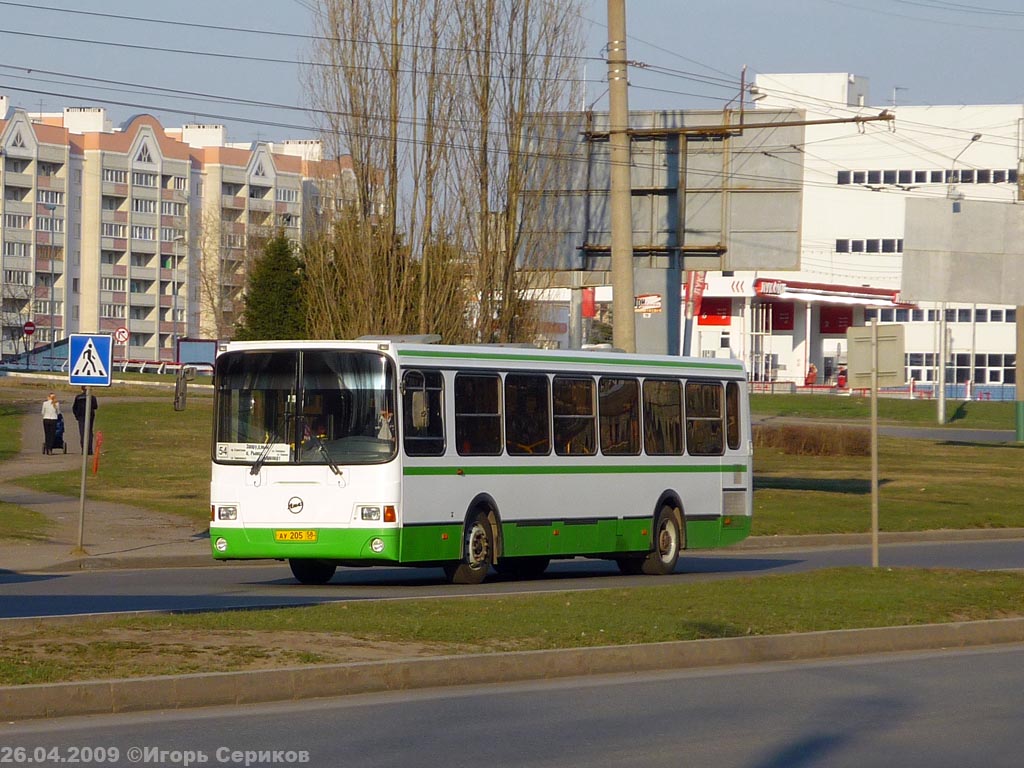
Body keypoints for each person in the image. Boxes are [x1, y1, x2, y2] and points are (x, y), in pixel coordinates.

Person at [72, 387, 99, 455]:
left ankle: (84, 449)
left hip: (81, 416)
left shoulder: (78, 397)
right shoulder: (92, 397)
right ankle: (89, 449)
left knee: (82, 433)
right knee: (89, 432)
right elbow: (95, 406)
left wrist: (77, 415)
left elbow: (74, 408)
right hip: (90, 416)